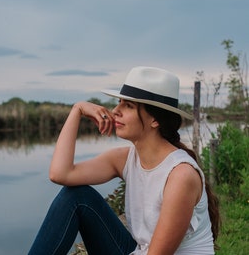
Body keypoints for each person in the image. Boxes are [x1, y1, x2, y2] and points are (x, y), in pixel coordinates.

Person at [28, 66, 220, 255]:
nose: (115, 110)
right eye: (119, 102)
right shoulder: (125, 158)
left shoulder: (180, 175)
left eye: (128, 106)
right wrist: (77, 110)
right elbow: (60, 174)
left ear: (155, 120)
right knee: (76, 197)